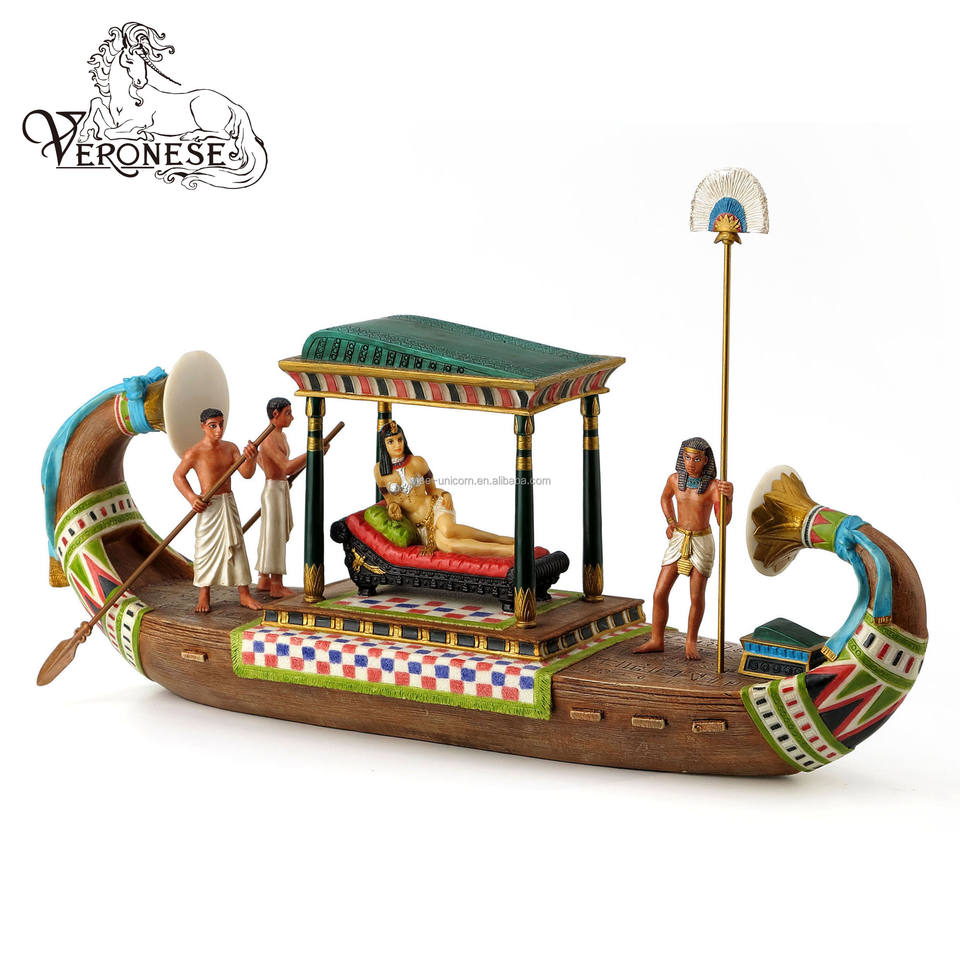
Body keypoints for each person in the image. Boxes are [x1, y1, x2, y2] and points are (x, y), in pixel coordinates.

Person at [633, 437, 733, 661]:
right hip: (678, 539)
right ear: (682, 457)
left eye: (696, 459)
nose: (691, 463)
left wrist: (728, 498)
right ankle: (657, 639)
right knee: (659, 593)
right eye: (687, 457)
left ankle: (691, 641)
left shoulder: (713, 486)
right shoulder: (674, 480)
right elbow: (665, 498)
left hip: (701, 542)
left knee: (696, 597)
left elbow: (722, 521)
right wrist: (671, 521)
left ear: (705, 460)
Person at [372, 421, 514, 557]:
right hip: (418, 526)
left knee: (447, 530)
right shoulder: (379, 471)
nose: (397, 445)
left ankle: (501, 539)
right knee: (447, 545)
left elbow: (432, 489)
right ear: (383, 445)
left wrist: (446, 494)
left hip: (434, 508)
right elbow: (389, 500)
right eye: (391, 441)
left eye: (400, 439)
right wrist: (393, 507)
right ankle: (508, 551)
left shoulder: (418, 462)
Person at [173, 408, 260, 614]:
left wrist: (251, 458)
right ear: (203, 426)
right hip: (208, 506)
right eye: (213, 425)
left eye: (221, 424)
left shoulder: (230, 448)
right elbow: (178, 476)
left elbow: (246, 474)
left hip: (227, 502)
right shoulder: (194, 453)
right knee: (205, 549)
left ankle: (244, 593)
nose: (219, 429)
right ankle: (204, 593)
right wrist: (192, 497)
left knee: (236, 546)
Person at [255, 397, 308, 598]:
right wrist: (312, 452)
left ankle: (264, 579)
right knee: (274, 536)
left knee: (272, 533)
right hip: (273, 490)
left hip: (279, 487)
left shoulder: (281, 436)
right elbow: (286, 467)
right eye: (288, 413)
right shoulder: (268, 438)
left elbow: (266, 462)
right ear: (275, 414)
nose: (292, 417)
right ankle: (276, 585)